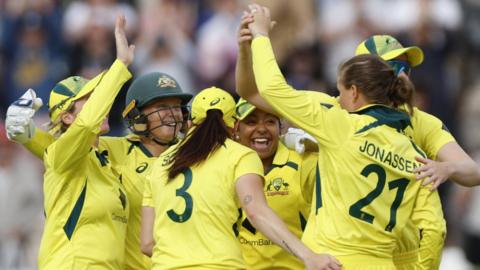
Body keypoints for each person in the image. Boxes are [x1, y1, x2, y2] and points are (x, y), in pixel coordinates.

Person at [242, 4, 443, 269]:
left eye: (341, 90)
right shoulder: (415, 150)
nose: (337, 98)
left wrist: (261, 35)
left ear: (355, 92)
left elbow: (270, 87)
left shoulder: (338, 123)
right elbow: (434, 229)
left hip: (332, 262)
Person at [5, 72, 192, 269]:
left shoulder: (193, 154)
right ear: (138, 114)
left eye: (176, 106)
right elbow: (61, 148)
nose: (172, 113)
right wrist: (28, 135)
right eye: (162, 106)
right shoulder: (112, 150)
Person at [140, 86, 341, 270]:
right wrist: (308, 256)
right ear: (235, 126)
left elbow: (147, 243)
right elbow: (256, 212)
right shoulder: (240, 156)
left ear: (190, 122)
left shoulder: (160, 164)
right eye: (251, 121)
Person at [37, 15, 134, 268]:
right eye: (90, 100)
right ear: (67, 117)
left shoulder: (105, 159)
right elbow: (87, 124)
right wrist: (120, 65)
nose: (101, 104)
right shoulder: (61, 152)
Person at [234, 98, 318, 269]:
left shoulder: (305, 163)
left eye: (270, 121)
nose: (262, 129)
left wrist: (325, 148)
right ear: (236, 129)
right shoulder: (225, 167)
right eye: (251, 122)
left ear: (281, 128)